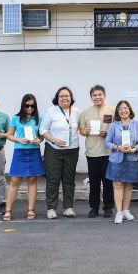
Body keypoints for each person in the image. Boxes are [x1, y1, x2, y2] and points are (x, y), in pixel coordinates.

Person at [40, 86, 81, 219]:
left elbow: (80, 128)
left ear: (71, 98)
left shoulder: (76, 112)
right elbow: (43, 130)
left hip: (72, 150)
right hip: (54, 150)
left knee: (69, 179)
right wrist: (55, 140)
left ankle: (68, 208)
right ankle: (51, 208)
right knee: (53, 179)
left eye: (67, 96)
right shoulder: (51, 111)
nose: (64, 98)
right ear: (57, 99)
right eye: (61, 96)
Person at [3, 94, 44, 221]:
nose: (30, 108)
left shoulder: (39, 119)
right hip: (20, 151)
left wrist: (39, 140)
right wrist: (19, 139)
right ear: (23, 105)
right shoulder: (15, 118)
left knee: (32, 180)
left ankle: (31, 210)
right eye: (27, 105)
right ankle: (8, 210)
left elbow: (42, 136)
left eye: (32, 106)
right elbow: (9, 135)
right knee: (15, 181)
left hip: (34, 151)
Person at [104, 100, 138, 224]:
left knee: (128, 186)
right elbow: (107, 142)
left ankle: (126, 210)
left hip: (132, 158)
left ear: (130, 110)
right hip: (117, 158)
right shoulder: (113, 125)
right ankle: (119, 212)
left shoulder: (137, 124)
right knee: (117, 185)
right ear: (118, 111)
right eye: (121, 109)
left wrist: (134, 150)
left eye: (126, 108)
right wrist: (117, 147)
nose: (123, 110)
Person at [79, 85, 116, 218]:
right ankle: (93, 207)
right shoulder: (85, 113)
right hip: (92, 152)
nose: (97, 97)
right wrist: (85, 131)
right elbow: (81, 130)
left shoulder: (113, 110)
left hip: (108, 152)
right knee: (94, 182)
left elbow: (118, 128)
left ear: (104, 95)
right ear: (91, 97)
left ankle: (108, 207)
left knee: (108, 182)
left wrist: (108, 133)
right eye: (94, 95)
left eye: (100, 94)